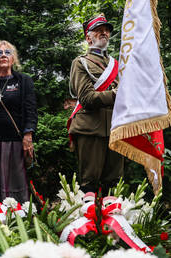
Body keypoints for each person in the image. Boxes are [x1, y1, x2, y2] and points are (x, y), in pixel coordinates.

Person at [68, 14, 124, 193]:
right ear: (88, 37)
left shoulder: (117, 65)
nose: (104, 33)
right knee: (89, 185)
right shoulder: (80, 63)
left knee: (114, 185)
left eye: (106, 30)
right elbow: (87, 98)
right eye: (98, 30)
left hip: (115, 129)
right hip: (90, 129)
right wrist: (119, 94)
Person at [0, 40, 37, 203]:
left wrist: (28, 136)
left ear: (13, 58)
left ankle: (19, 220)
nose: (3, 55)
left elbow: (31, 110)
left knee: (16, 184)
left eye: (7, 52)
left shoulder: (24, 81)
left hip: (16, 143)